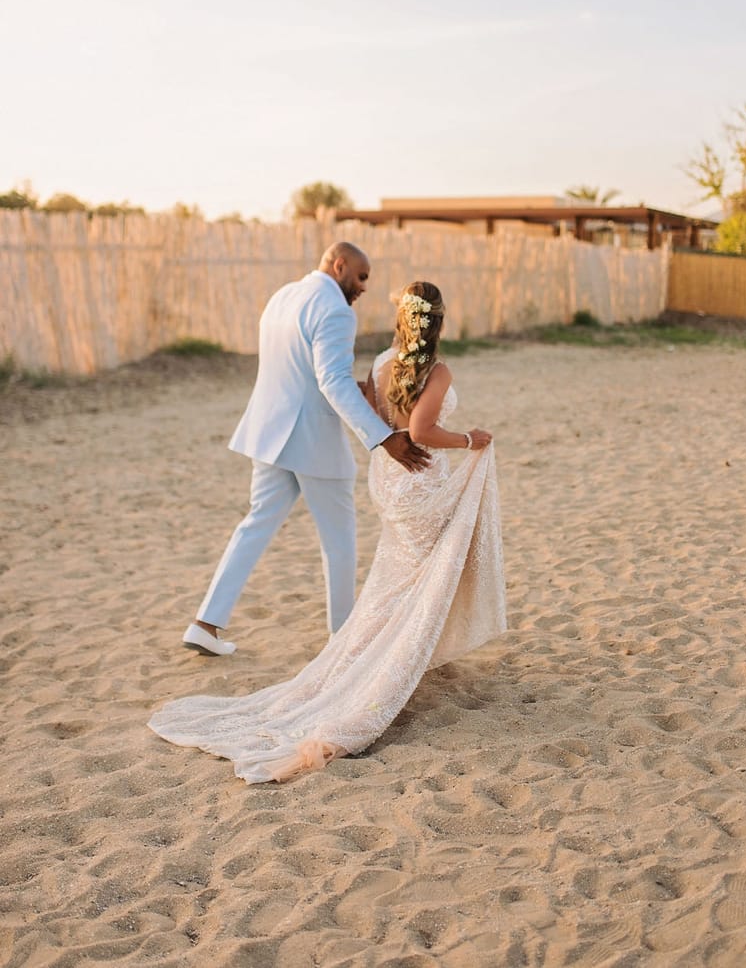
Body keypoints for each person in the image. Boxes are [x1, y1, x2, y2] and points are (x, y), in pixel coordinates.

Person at [151, 281, 506, 782]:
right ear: (439, 323)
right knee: (427, 571)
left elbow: (365, 402)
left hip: (387, 480)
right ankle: (392, 659)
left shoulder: (382, 362)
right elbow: (423, 433)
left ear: (402, 321)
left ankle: (398, 648)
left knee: (397, 577)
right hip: (419, 481)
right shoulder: (438, 371)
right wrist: (471, 438)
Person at [182, 242, 430, 657]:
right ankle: (343, 638)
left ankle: (204, 623)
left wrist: (354, 390)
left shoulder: (284, 295)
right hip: (311, 438)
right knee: (339, 538)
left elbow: (300, 371)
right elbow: (330, 381)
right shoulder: (335, 309)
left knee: (256, 524)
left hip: (270, 430)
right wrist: (384, 437)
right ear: (339, 265)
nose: (364, 287)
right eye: (362, 276)